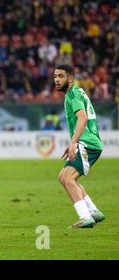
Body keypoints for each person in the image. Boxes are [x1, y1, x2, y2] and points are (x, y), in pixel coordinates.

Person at [54, 64, 104, 228]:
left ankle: (85, 217)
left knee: (69, 179)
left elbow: (82, 118)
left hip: (87, 143)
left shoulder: (73, 94)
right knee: (63, 177)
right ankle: (93, 211)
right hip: (89, 142)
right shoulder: (77, 92)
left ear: (70, 78)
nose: (56, 80)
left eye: (60, 76)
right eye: (55, 76)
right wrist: (73, 142)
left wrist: (74, 142)